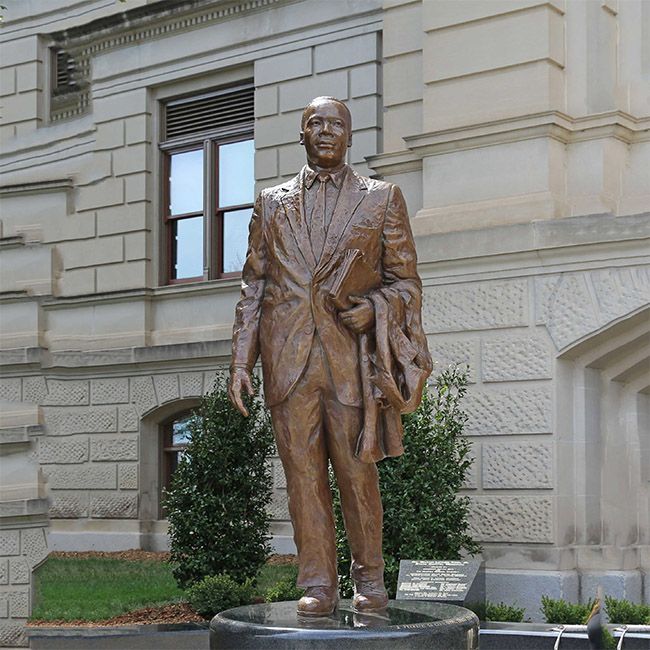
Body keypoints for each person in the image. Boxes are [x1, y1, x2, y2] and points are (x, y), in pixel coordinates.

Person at [228, 96, 431, 616]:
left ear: (349, 135)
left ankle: (370, 578)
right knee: (302, 478)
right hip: (287, 361)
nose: (324, 131)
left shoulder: (381, 199)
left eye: (335, 124)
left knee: (357, 473)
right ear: (301, 135)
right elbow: (254, 285)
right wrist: (240, 362)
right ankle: (317, 581)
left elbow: (406, 282)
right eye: (314, 124)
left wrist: (376, 309)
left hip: (349, 361)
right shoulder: (271, 203)